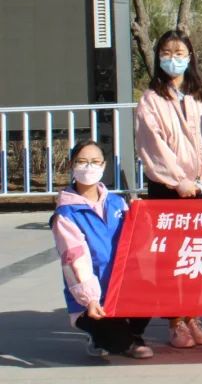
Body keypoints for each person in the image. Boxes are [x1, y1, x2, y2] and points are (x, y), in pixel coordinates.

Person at [134, 29, 202, 349]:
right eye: (167, 53)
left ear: (190, 56)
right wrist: (178, 181)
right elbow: (152, 147)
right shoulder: (150, 100)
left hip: (200, 188)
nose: (173, 59)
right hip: (167, 189)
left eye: (180, 53)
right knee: (170, 257)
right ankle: (174, 320)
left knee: (197, 254)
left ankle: (193, 314)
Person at [51, 141, 153, 359]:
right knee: (116, 343)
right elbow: (75, 259)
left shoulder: (117, 203)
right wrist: (90, 299)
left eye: (95, 162)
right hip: (90, 299)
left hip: (121, 289)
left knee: (152, 292)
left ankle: (133, 333)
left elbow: (138, 241)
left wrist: (143, 217)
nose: (89, 167)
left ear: (104, 165)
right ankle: (104, 336)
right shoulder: (66, 214)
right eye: (82, 161)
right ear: (72, 165)